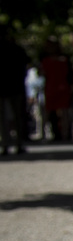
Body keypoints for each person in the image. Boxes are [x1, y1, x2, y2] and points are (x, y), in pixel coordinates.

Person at [0, 28, 28, 156]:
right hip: (15, 87)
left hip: (10, 87)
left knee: (5, 118)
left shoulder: (16, 50)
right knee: (16, 117)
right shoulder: (17, 49)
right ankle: (17, 143)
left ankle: (7, 144)